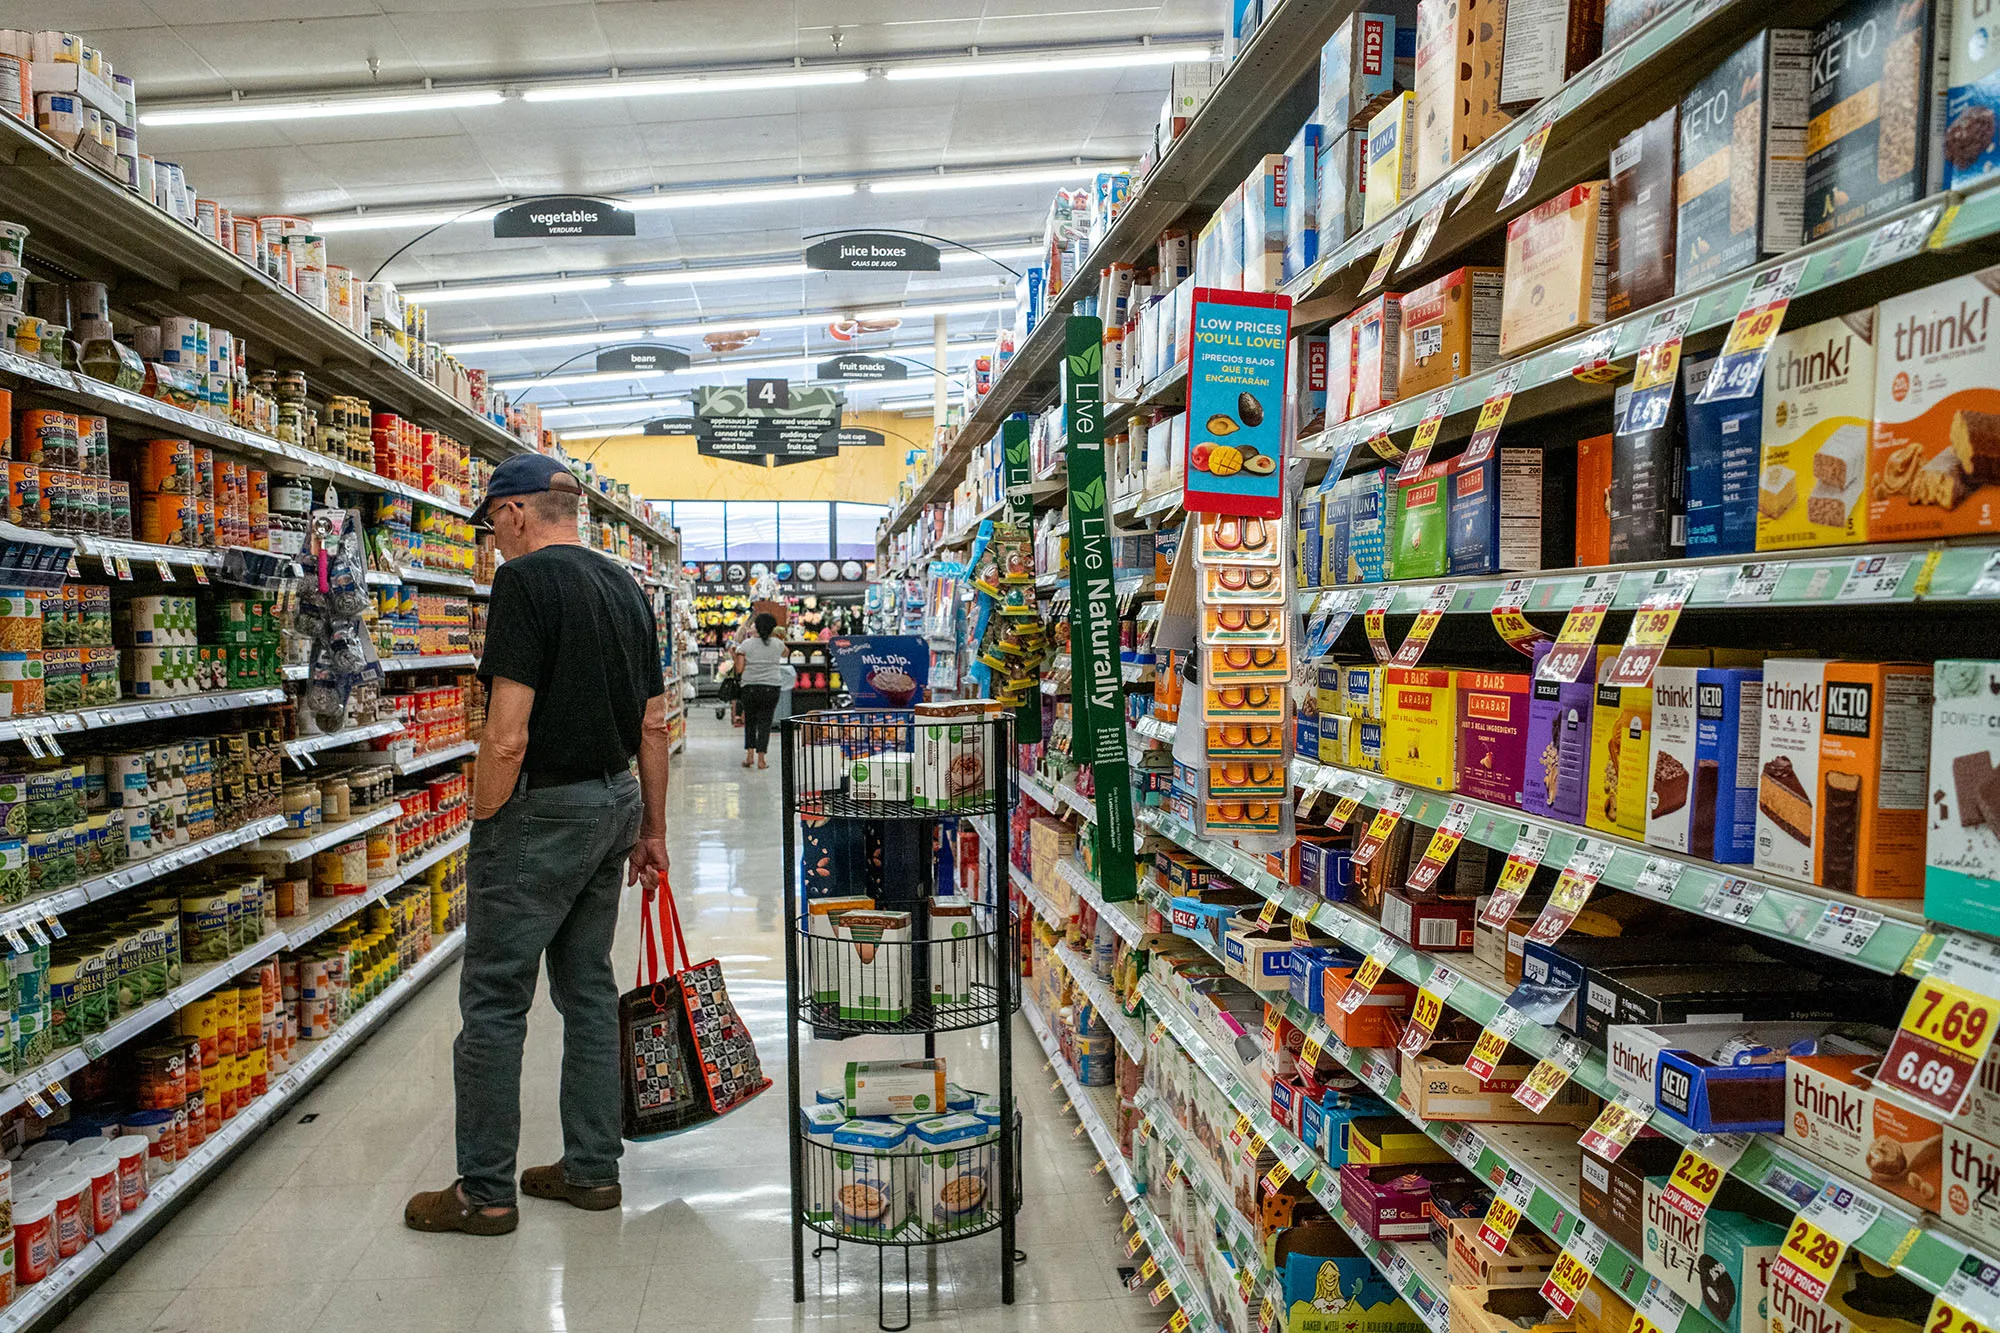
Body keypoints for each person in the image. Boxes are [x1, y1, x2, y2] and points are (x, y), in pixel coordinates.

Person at [405, 454, 673, 1236]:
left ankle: (484, 1192)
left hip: (543, 808)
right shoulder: (626, 584)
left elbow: (508, 731)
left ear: (517, 511)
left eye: (490, 524)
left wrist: (487, 823)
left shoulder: (523, 585)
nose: (490, 543)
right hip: (616, 800)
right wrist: (653, 828)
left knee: (493, 998)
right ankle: (593, 1170)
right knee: (588, 989)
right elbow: (653, 724)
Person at [733, 612, 788, 769]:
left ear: (756, 626)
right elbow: (786, 652)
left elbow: (739, 669)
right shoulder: (777, 644)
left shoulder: (746, 645)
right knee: (765, 722)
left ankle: (749, 756)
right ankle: (762, 760)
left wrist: (735, 655)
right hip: (772, 687)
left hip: (750, 687)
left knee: (750, 721)